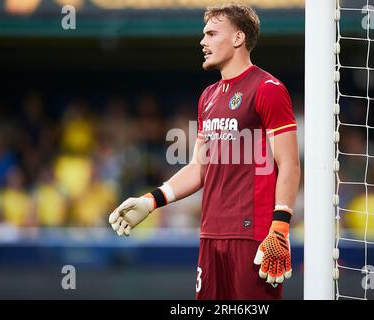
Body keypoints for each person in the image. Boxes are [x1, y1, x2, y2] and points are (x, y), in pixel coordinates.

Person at [108, 3, 300, 300]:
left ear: (238, 38)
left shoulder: (268, 88)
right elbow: (199, 167)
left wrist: (279, 228)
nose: (202, 42)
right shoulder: (207, 97)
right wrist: (151, 200)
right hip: (210, 233)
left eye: (211, 33)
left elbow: (288, 164)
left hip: (252, 236)